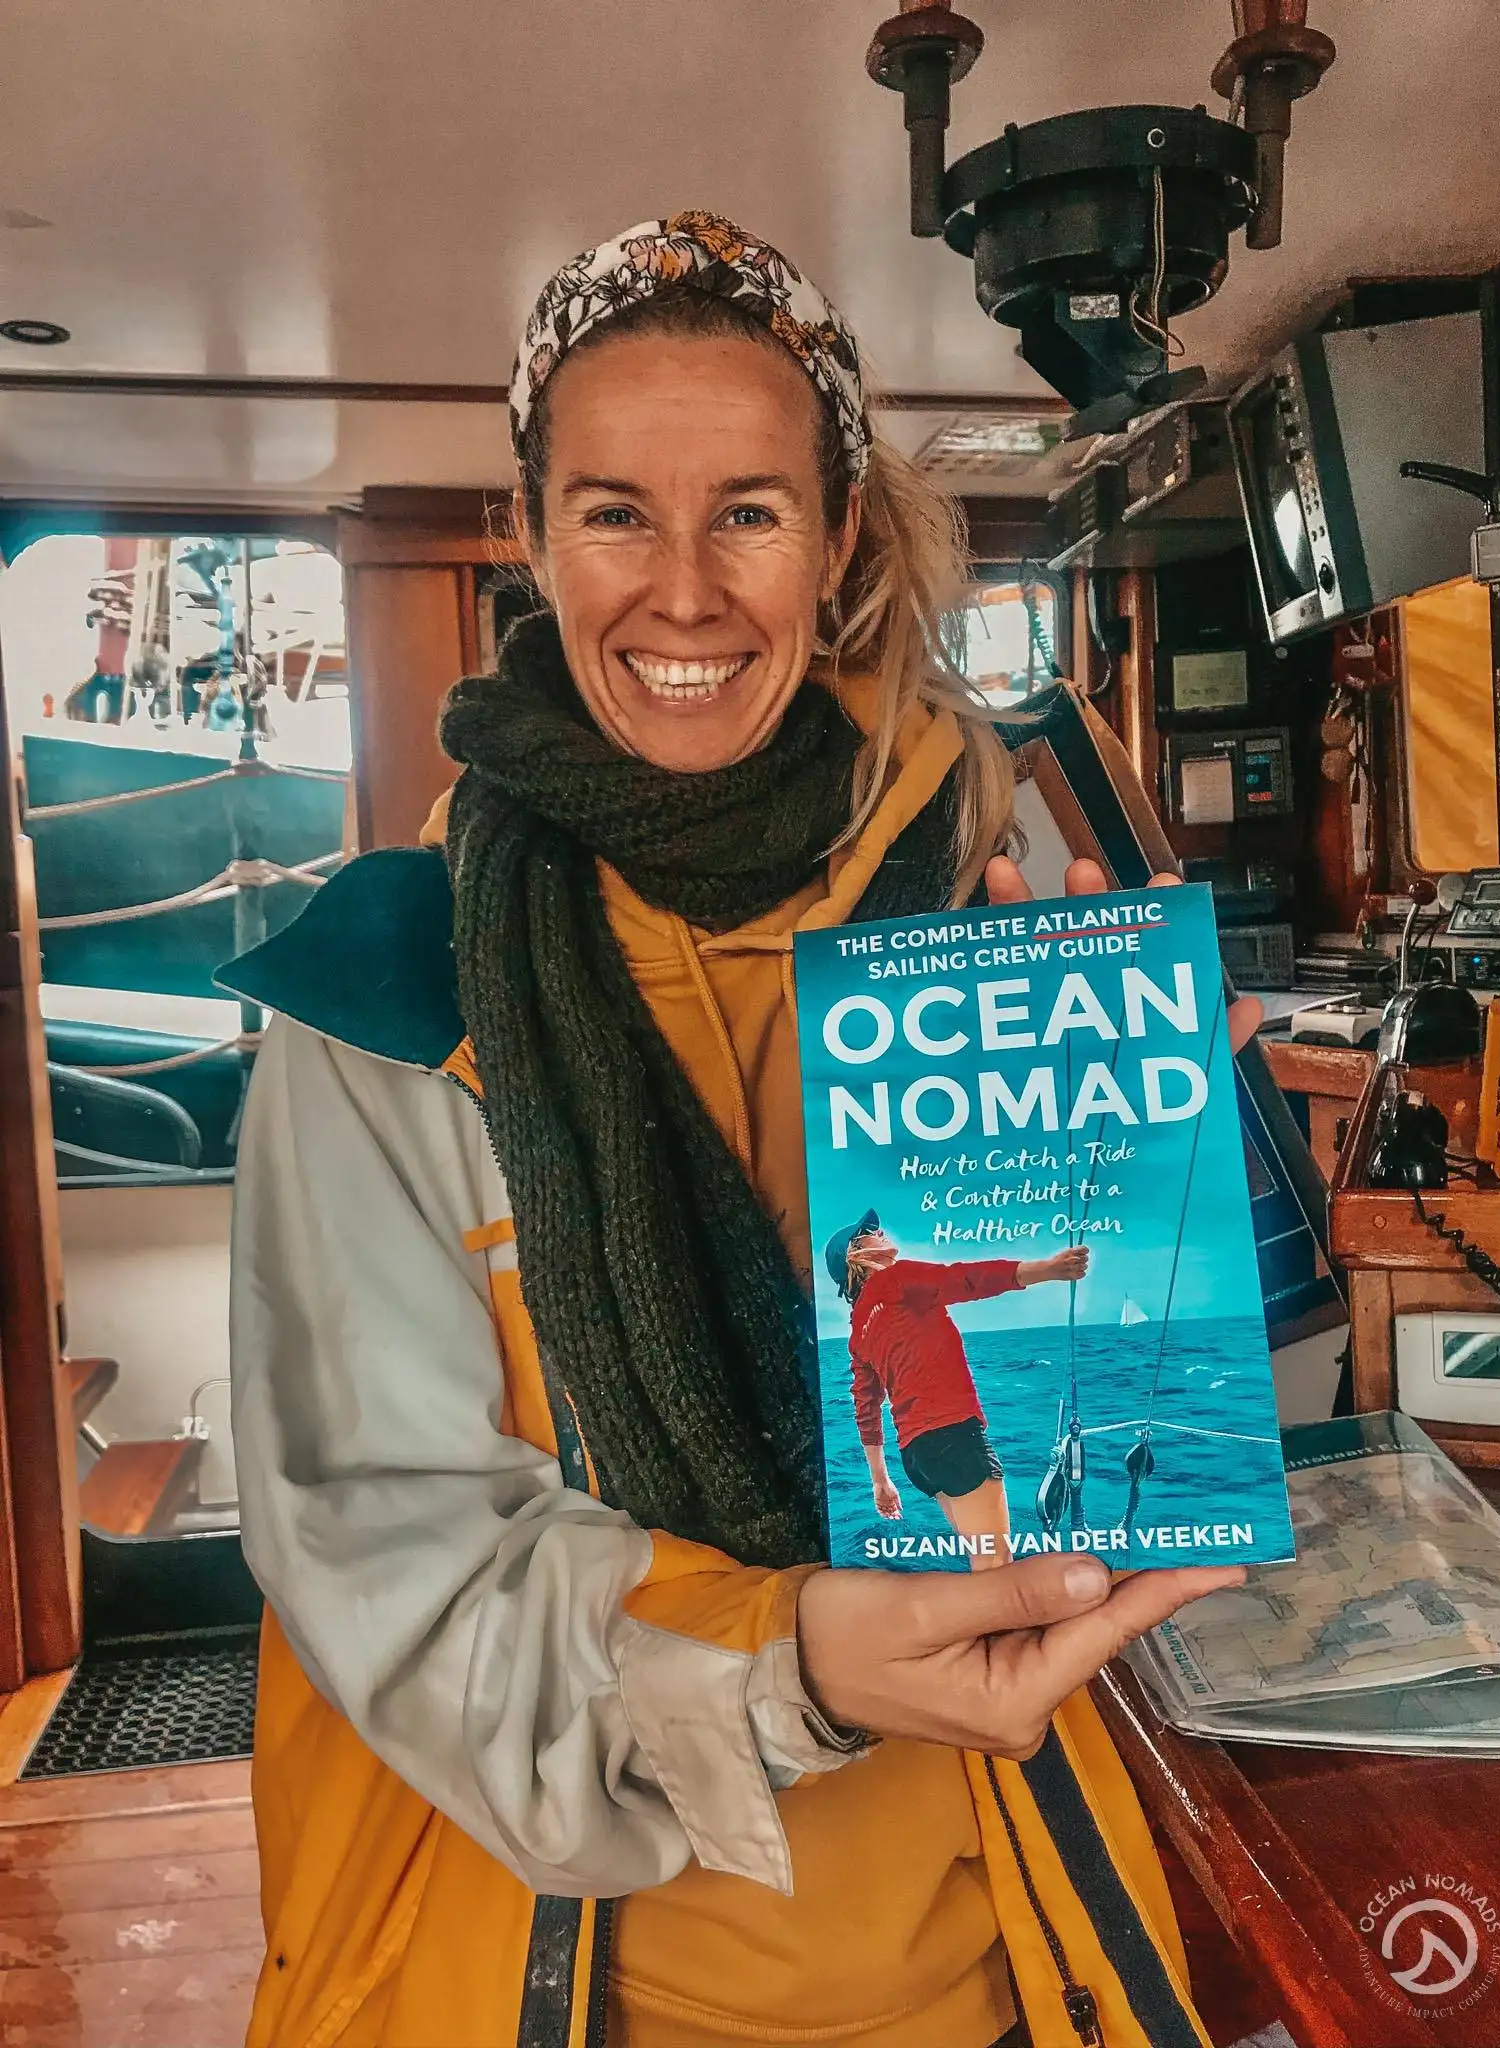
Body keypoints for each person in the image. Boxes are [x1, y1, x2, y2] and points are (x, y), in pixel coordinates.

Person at [226, 210, 1257, 2048]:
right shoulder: (387, 999)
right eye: (618, 508)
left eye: (751, 510)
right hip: (564, 1992)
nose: (684, 591)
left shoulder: (999, 920)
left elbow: (1099, 1438)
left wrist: (1173, 1146)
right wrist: (797, 1662)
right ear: (533, 533)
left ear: (839, 532)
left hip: (1019, 1964)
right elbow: (395, 1560)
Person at [829, 1211, 1088, 1567]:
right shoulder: (896, 1279)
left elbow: (866, 1409)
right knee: (996, 1566)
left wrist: (880, 1482)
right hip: (952, 1438)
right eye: (868, 1232)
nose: (880, 1230)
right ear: (855, 1255)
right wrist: (1047, 1270)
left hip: (918, 1457)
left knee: (982, 1562)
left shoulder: (858, 1329)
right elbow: (965, 1279)